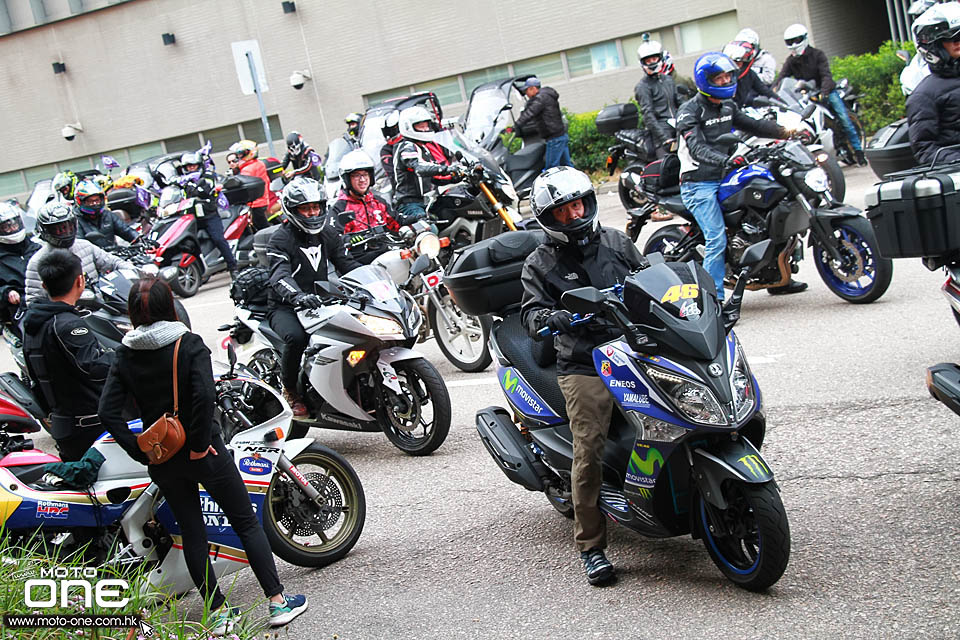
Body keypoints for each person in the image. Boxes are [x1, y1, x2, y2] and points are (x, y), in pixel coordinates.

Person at [97, 276, 308, 634]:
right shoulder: (187, 344)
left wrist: (139, 450)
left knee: (192, 532)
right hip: (205, 451)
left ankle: (220, 614)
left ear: (132, 313)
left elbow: (107, 410)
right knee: (244, 520)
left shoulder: (125, 352)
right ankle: (277, 602)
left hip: (163, 457)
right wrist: (197, 446)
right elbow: (203, 398)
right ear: (170, 306)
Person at [520, 166, 646, 586]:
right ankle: (591, 546)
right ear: (548, 219)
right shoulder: (540, 262)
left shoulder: (616, 241)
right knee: (588, 446)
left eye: (578, 205)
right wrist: (547, 316)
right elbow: (530, 312)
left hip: (633, 347)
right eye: (563, 211)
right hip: (584, 360)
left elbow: (650, 280)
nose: (574, 215)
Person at [676, 53, 807, 299]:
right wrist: (724, 160)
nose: (726, 81)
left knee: (773, 208)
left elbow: (754, 125)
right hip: (698, 182)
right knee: (716, 237)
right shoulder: (689, 111)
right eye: (719, 78)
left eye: (728, 76)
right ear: (706, 81)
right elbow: (696, 147)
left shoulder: (728, 105)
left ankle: (779, 277)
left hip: (727, 173)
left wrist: (789, 133)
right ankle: (713, 300)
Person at [266, 178, 360, 416]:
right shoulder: (280, 239)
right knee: (296, 338)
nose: (312, 213)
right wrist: (297, 296)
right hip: (285, 306)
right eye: (305, 209)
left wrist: (375, 282)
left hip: (321, 300)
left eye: (316, 207)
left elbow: (346, 264)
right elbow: (279, 275)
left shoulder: (328, 233)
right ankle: (290, 390)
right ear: (292, 210)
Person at [22, 250, 114, 461]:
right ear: (80, 281)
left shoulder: (32, 324)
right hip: (89, 426)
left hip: (63, 423)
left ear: (44, 286)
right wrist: (126, 356)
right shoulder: (68, 323)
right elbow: (94, 366)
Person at [777, 23, 867, 166]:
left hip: (826, 91)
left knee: (844, 119)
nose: (794, 44)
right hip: (806, 95)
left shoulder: (817, 55)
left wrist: (824, 92)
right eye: (790, 42)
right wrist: (773, 93)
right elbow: (781, 78)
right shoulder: (791, 61)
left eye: (797, 40)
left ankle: (859, 153)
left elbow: (826, 75)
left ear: (805, 39)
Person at [25, 201, 134, 304]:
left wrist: (134, 273)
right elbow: (34, 301)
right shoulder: (37, 262)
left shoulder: (84, 245)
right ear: (45, 230)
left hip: (101, 307)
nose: (66, 232)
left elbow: (113, 262)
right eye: (59, 229)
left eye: (68, 227)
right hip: (68, 315)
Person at [907, 2, 960, 164]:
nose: (958, 42)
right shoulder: (924, 95)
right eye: (952, 38)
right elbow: (925, 149)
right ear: (934, 46)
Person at [392, 105, 464, 223]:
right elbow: (420, 168)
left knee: (457, 211)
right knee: (429, 229)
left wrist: (456, 177)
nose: (425, 129)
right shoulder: (406, 147)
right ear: (408, 127)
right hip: (410, 203)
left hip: (430, 200)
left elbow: (433, 178)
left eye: (426, 125)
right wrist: (447, 169)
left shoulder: (424, 148)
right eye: (420, 126)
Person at [329, 150, 403, 264]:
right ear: (347, 179)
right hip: (359, 261)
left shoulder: (378, 202)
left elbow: (396, 222)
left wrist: (418, 219)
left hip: (385, 254)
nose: (362, 180)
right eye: (356, 176)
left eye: (365, 174)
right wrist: (349, 239)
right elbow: (333, 239)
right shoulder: (340, 208)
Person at [514, 77, 572, 170]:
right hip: (560, 135)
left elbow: (530, 112)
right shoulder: (546, 95)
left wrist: (516, 125)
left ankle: (551, 184)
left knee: (551, 168)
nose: (526, 94)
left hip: (554, 138)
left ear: (533, 88)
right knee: (567, 166)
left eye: (527, 90)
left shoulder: (540, 98)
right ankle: (575, 183)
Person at [0, 202, 38, 335]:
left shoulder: (36, 246)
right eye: (6, 227)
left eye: (14, 224)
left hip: (49, 296)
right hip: (21, 306)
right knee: (33, 333)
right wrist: (6, 292)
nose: (12, 229)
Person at [73, 178, 139, 247]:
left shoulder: (107, 215)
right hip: (92, 256)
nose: (95, 204)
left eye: (97, 200)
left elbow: (126, 230)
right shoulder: (75, 221)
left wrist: (139, 239)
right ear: (80, 201)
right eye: (90, 201)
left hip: (114, 255)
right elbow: (80, 246)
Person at [723, 41, 782, 108]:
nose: (735, 66)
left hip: (738, 111)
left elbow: (765, 91)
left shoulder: (750, 74)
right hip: (723, 114)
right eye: (732, 62)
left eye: (738, 62)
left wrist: (783, 103)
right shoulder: (722, 79)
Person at [227, 142, 270, 232]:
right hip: (260, 200)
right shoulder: (255, 164)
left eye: (241, 153)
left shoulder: (249, 168)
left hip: (255, 203)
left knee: (262, 229)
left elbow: (241, 184)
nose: (239, 156)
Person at [379, 110, 402, 190]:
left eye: (391, 129)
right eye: (386, 131)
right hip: (402, 191)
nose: (388, 134)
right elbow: (392, 173)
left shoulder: (410, 142)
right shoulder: (386, 149)